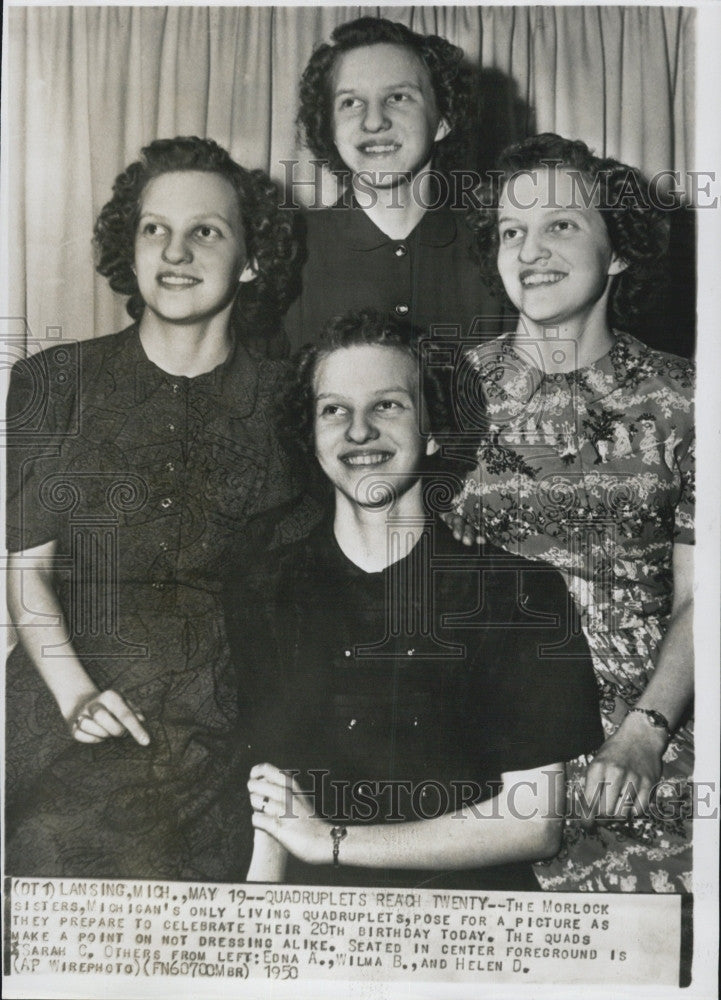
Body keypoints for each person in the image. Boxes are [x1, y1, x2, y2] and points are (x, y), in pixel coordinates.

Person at [5, 136, 304, 880]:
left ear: (253, 256)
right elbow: (27, 571)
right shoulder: (53, 382)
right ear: (128, 250)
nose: (175, 250)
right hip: (70, 706)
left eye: (206, 230)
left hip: (226, 733)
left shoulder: (291, 400)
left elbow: (301, 605)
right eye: (153, 228)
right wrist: (76, 698)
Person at [225, 309, 603, 889]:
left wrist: (331, 842)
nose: (358, 431)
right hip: (321, 919)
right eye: (334, 410)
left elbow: (533, 823)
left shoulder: (519, 594)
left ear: (432, 429)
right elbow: (273, 794)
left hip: (470, 915)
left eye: (387, 405)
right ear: (311, 434)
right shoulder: (267, 589)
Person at [450, 133, 694, 892]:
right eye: (510, 231)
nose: (530, 250)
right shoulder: (440, 391)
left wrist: (645, 734)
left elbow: (703, 597)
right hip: (474, 731)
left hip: (638, 736)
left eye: (560, 224)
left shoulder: (685, 399)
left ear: (617, 249)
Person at [282, 16, 503, 353]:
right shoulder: (289, 250)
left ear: (443, 119)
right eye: (350, 102)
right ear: (329, 126)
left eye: (398, 97)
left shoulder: (500, 248)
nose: (374, 121)